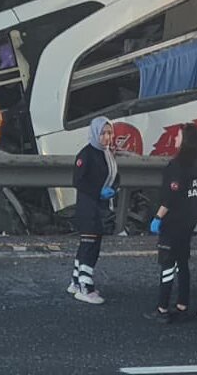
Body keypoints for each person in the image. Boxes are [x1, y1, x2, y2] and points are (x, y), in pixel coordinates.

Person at [146, 123, 197, 324]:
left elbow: (170, 196)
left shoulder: (176, 166)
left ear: (186, 141)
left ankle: (162, 308)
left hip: (173, 221)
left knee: (167, 263)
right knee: (183, 262)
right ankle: (182, 304)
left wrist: (158, 217)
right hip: (190, 219)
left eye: (178, 136)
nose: (175, 140)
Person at [69, 117, 119, 304]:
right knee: (90, 246)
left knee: (89, 245)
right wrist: (98, 191)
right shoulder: (87, 154)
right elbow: (78, 181)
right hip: (89, 208)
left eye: (109, 133)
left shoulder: (107, 154)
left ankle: (76, 281)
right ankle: (85, 286)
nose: (107, 137)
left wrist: (113, 189)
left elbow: (115, 176)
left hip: (100, 207)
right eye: (103, 133)